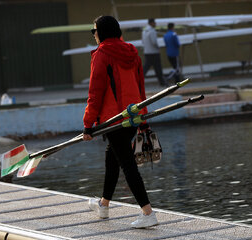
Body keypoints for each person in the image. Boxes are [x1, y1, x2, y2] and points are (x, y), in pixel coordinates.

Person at [82, 15, 159, 229]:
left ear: (103, 32)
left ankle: (148, 212)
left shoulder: (102, 55)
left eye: (94, 30)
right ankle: (104, 205)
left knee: (127, 164)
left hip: (114, 120)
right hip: (132, 117)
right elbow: (140, 88)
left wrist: (88, 124)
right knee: (112, 158)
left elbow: (95, 93)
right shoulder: (132, 52)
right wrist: (142, 117)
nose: (94, 34)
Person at [142, 18, 167, 87]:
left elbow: (143, 42)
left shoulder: (144, 31)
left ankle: (139, 80)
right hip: (154, 52)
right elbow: (154, 42)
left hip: (147, 52)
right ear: (151, 23)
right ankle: (162, 82)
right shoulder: (152, 31)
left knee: (145, 68)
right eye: (154, 22)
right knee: (158, 68)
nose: (155, 24)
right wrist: (159, 47)